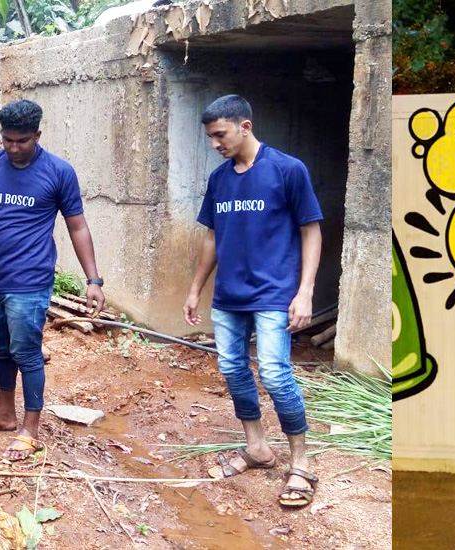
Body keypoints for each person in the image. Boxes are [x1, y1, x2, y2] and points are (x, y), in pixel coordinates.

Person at [180, 95, 323, 509]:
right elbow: (211, 237)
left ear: (245, 126)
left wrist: (305, 291)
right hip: (229, 296)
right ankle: (257, 447)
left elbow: (311, 231)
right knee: (232, 369)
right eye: (210, 137)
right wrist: (195, 288)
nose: (215, 144)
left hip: (273, 294)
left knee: (276, 374)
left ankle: (301, 461)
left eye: (220, 135)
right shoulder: (220, 179)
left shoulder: (287, 170)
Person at [0, 100, 103, 462]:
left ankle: (30, 429)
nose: (14, 148)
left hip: (30, 282)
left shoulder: (59, 172)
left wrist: (93, 279)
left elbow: (77, 226)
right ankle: (3, 413)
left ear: (38, 136)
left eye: (22, 141)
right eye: (7, 140)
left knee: (28, 353)